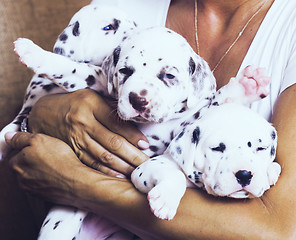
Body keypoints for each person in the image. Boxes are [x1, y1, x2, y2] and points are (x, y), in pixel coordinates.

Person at [5, 0, 296, 238]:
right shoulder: (120, 11)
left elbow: (278, 230)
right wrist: (42, 118)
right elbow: (31, 158)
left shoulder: (289, 26)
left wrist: (80, 184)